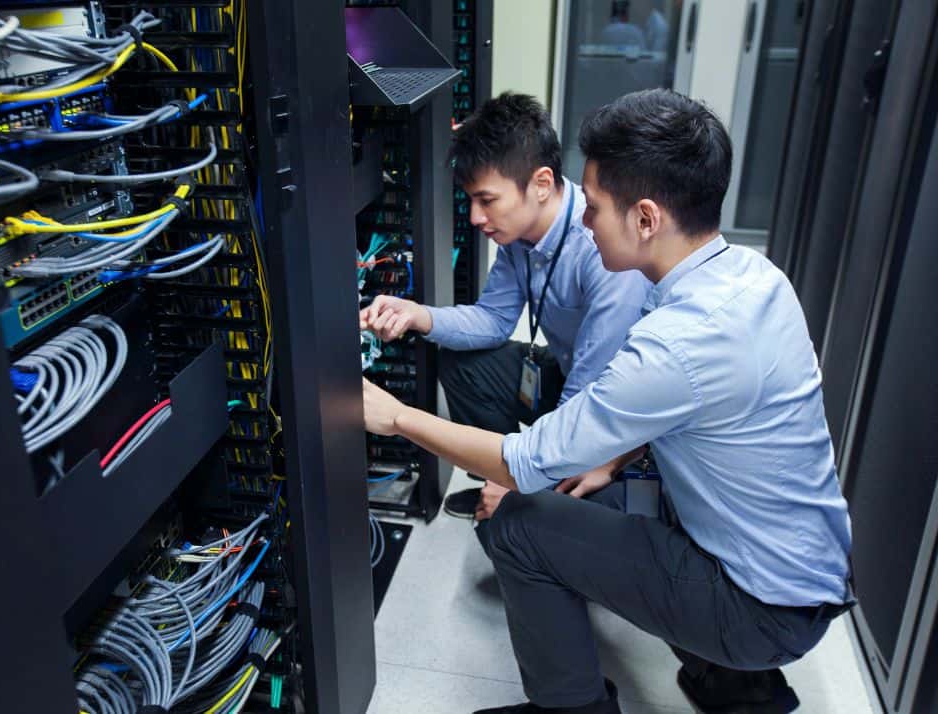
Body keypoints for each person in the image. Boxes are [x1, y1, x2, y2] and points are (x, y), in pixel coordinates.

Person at [362, 89, 854, 714]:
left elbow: (528, 460)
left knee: (518, 524)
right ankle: (730, 681)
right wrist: (613, 459)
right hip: (802, 577)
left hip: (760, 607)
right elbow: (692, 409)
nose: (585, 220)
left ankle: (584, 707)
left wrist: (396, 416)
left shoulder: (675, 342)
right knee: (586, 490)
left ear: (646, 219)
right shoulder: (753, 277)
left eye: (593, 207)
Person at [360, 92, 648, 518]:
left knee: (512, 526)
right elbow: (493, 321)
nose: (475, 218)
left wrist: (527, 479)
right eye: (471, 201)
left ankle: (517, 494)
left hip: (615, 409)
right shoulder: (519, 237)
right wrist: (417, 315)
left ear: (541, 184)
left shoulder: (598, 247)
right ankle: (498, 481)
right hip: (570, 373)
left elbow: (588, 391)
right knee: (463, 364)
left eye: (487, 200)